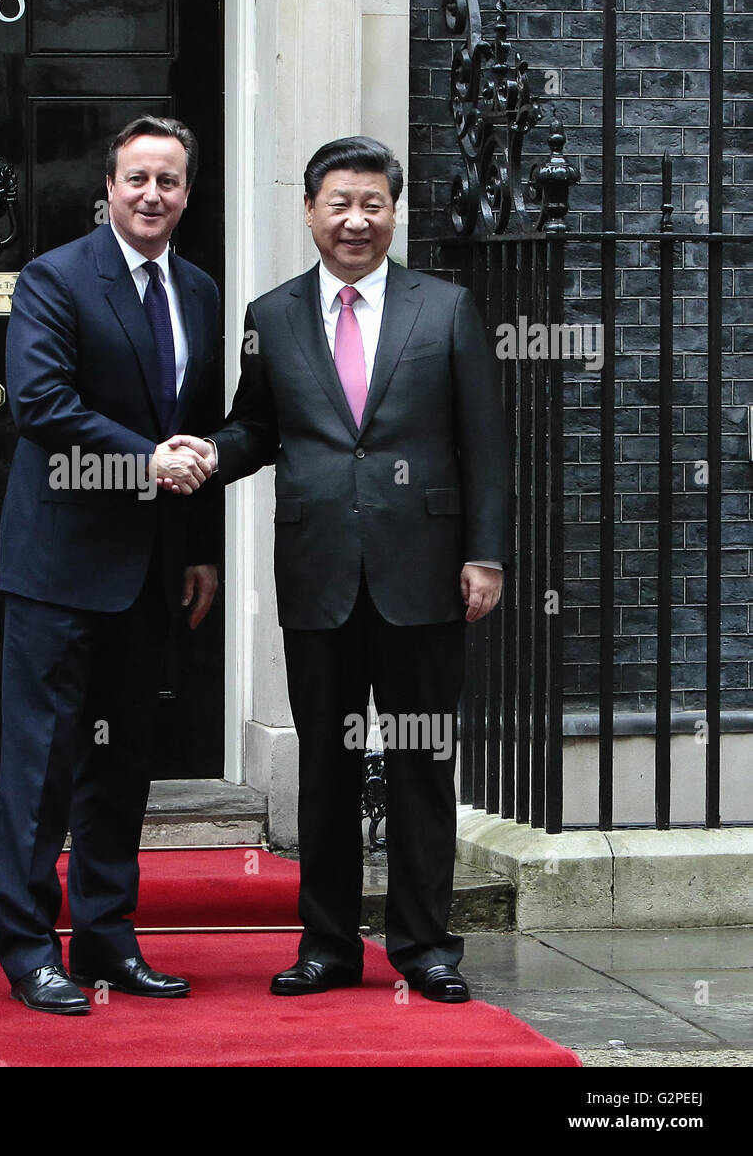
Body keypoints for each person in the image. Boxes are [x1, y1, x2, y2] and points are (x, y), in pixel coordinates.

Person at [172, 135, 510, 1003]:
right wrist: (204, 452)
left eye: (373, 203)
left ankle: (425, 945)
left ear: (394, 212)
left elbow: (486, 444)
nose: (356, 219)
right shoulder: (271, 315)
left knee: (421, 763)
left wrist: (486, 553)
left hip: (428, 575)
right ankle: (326, 945)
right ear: (311, 211)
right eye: (339, 203)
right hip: (319, 575)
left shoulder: (447, 308)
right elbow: (254, 428)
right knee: (324, 765)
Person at [0, 116, 222, 1014]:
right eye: (137, 179)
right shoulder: (55, 278)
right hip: (58, 567)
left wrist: (198, 546)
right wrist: (145, 460)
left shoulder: (198, 290)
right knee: (41, 769)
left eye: (168, 181)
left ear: (186, 194)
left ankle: (104, 938)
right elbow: (39, 401)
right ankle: (27, 951)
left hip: (150, 572)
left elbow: (194, 418)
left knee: (122, 767)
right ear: (110, 185)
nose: (152, 195)